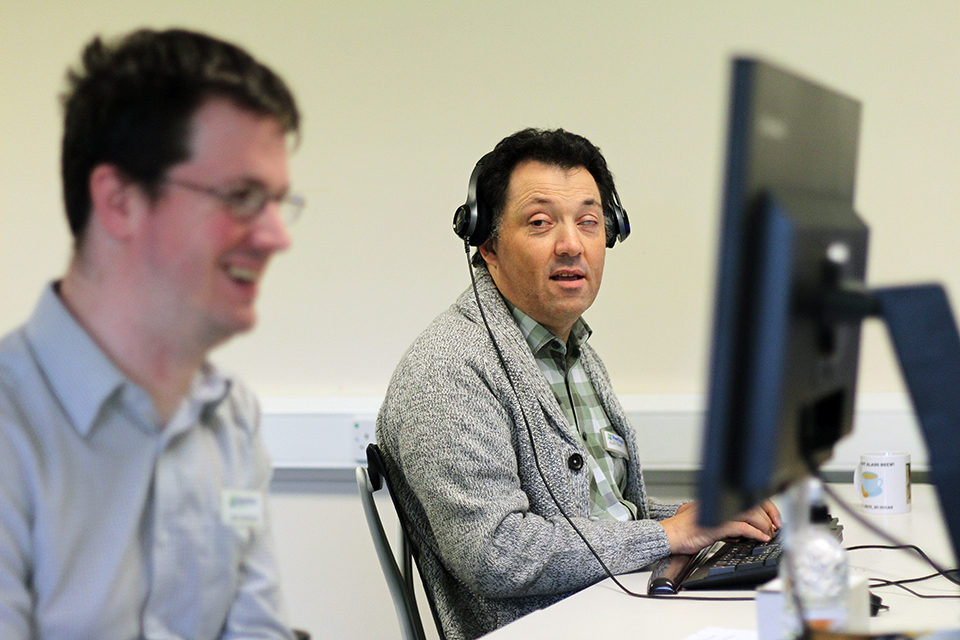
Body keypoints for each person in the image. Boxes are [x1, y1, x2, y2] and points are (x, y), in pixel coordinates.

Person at [376, 128, 781, 640]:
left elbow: (603, 512)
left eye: (589, 222)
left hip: (618, 609)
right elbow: (494, 552)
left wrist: (698, 516)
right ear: (486, 242)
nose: (571, 244)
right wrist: (665, 534)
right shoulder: (447, 369)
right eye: (541, 222)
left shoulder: (573, 351)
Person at [0, 29, 303, 639]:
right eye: (242, 196)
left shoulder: (229, 417)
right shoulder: (14, 429)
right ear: (119, 201)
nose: (276, 236)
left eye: (277, 201)